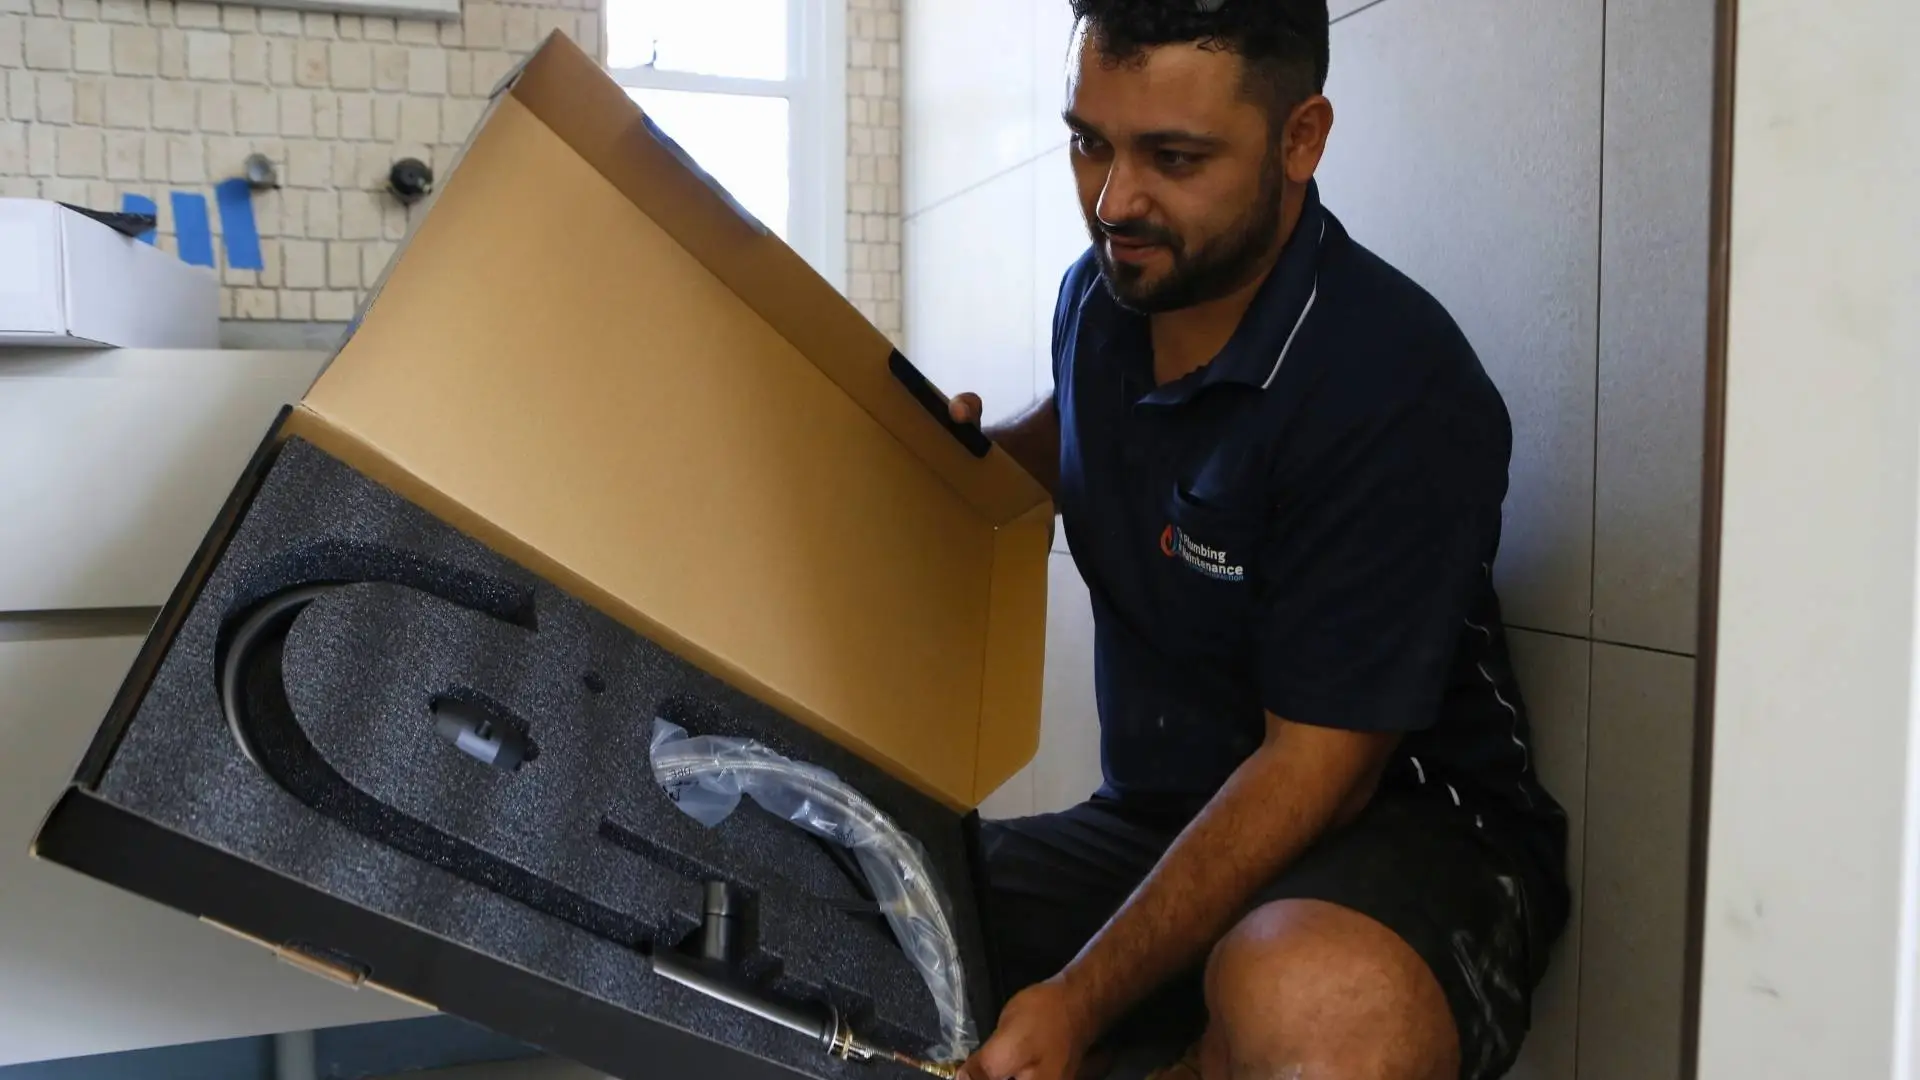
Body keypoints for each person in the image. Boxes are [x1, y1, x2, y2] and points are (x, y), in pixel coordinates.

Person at [946, 3, 1571, 1079]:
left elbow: (1316, 773)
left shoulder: (1392, 385)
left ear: (1301, 139)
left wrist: (1079, 1001)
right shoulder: (1104, 300)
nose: (1112, 200)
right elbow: (1075, 436)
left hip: (1406, 832)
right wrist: (940, 461)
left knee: (1310, 1004)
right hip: (1161, 819)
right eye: (1090, 140)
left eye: (1172, 157)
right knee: (853, 899)